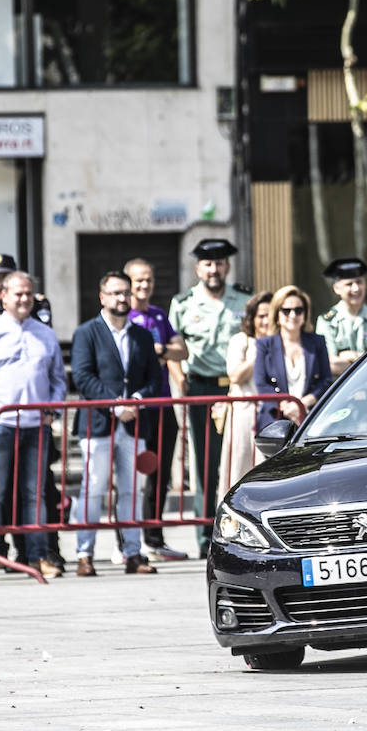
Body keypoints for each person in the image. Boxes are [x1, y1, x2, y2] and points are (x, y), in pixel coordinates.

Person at [0, 271, 67, 577]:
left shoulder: (44, 333)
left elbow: (58, 380)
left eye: (28, 294)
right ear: (3, 296)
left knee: (35, 493)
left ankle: (37, 556)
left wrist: (52, 411)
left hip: (37, 426)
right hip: (0, 426)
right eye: (17, 294)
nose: (23, 299)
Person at [68, 272, 161, 576]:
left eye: (126, 292)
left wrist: (134, 399)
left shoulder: (142, 335)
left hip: (133, 425)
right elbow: (82, 376)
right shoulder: (87, 332)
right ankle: (85, 555)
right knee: (93, 489)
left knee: (131, 490)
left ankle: (132, 553)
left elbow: (154, 379)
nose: (122, 298)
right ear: (102, 297)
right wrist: (115, 404)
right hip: (97, 425)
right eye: (115, 293)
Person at [168, 238, 251, 557]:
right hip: (201, 388)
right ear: (198, 268)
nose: (214, 269)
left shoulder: (244, 299)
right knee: (205, 463)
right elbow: (173, 346)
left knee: (238, 460)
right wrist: (180, 380)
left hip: (236, 389)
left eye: (219, 263)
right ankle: (205, 537)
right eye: (207, 263)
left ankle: (240, 533)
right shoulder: (184, 302)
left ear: (228, 266)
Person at [123, 257, 190, 562]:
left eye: (148, 279)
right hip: (134, 406)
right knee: (128, 476)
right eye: (138, 280)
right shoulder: (124, 316)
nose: (144, 285)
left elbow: (182, 350)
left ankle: (154, 537)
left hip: (163, 404)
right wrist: (158, 353)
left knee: (159, 475)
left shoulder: (160, 316)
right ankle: (124, 541)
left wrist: (160, 350)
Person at [253, 286, 333, 431]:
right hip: (275, 422)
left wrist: (301, 404)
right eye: (286, 310)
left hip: (311, 419)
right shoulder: (264, 344)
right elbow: (261, 384)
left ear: (305, 314)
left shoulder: (318, 342)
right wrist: (286, 406)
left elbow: (326, 380)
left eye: (298, 310)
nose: (293, 315)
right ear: (276, 314)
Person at [220, 292, 273, 489]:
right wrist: (258, 350)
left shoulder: (280, 341)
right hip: (243, 414)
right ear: (252, 319)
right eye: (261, 316)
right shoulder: (241, 340)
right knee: (238, 469)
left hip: (270, 415)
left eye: (270, 315)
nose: (266, 321)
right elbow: (235, 376)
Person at [314, 257, 367, 376]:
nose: (356, 288)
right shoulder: (326, 321)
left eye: (359, 282)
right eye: (349, 284)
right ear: (336, 289)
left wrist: (351, 357)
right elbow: (330, 365)